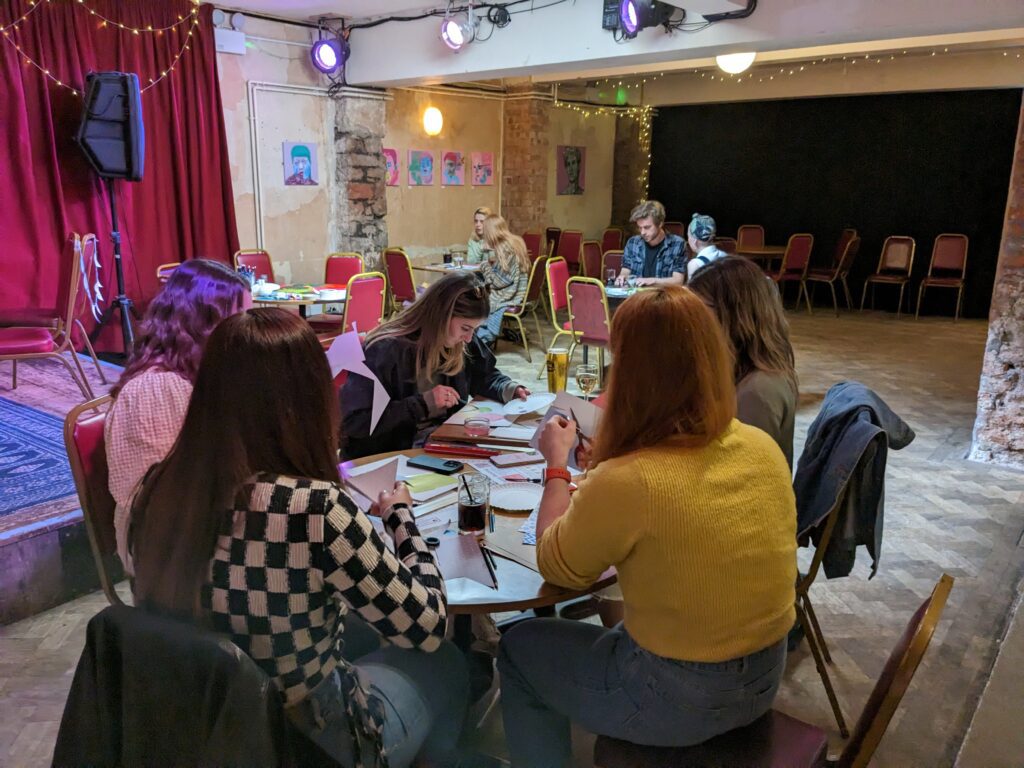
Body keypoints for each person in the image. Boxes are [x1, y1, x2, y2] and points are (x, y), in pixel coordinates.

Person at [129, 308, 469, 768]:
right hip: (305, 739)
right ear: (304, 401)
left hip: (198, 724)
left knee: (363, 632)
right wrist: (401, 518)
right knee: (445, 662)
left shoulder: (157, 489)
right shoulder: (314, 508)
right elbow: (426, 625)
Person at [497, 286, 797, 767]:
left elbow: (558, 566)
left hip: (680, 696)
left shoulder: (632, 480)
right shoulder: (759, 447)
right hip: (763, 677)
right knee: (608, 633)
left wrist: (557, 466)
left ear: (632, 373)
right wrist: (606, 467)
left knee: (517, 647)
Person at [105, 259, 250, 574]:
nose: (245, 331)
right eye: (237, 319)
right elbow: (166, 500)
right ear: (203, 322)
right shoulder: (155, 389)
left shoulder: (199, 376)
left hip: (202, 525)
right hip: (166, 550)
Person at [340, 272, 530, 459]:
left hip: (440, 445)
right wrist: (423, 403)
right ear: (441, 316)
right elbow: (356, 422)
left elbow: (484, 375)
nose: (469, 337)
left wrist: (508, 388)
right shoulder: (384, 350)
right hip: (388, 458)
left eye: (475, 329)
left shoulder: (459, 342)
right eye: (465, 328)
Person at [689, 256, 799, 468]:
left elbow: (736, 472)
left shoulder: (759, 390)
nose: (691, 318)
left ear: (734, 315)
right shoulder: (740, 367)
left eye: (699, 309)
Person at [476, 214, 530, 347]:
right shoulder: (516, 241)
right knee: (480, 292)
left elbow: (499, 282)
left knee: (477, 297)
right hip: (520, 291)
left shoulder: (504, 248)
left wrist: (485, 266)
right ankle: (478, 336)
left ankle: (481, 338)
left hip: (509, 294)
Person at [615, 200, 686, 287]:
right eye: (639, 228)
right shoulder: (633, 243)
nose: (642, 232)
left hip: (663, 297)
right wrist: (622, 277)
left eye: (647, 227)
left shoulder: (677, 244)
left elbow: (678, 281)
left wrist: (653, 281)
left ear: (660, 224)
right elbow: (626, 269)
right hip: (637, 297)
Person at [686, 212, 729, 280]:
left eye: (688, 236)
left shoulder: (695, 264)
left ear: (694, 241)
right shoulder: (726, 256)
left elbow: (693, 290)